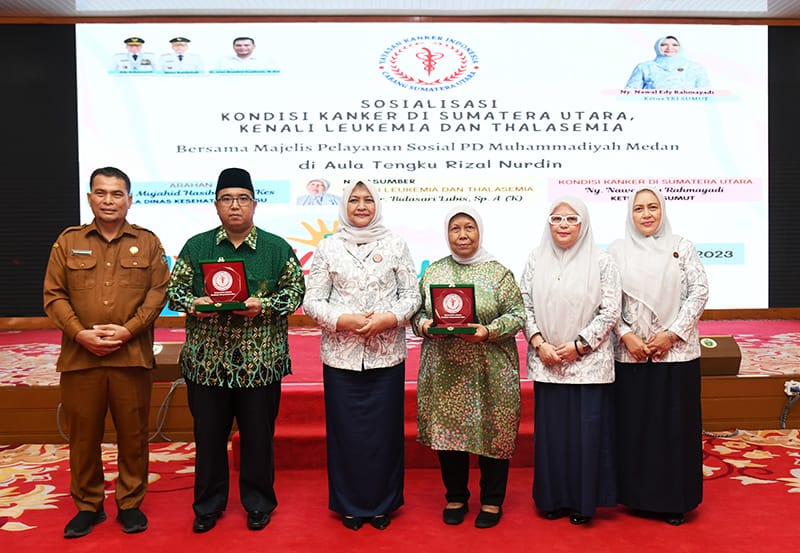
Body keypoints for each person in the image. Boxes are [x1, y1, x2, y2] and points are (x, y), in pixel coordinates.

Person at [167, 167, 305, 533]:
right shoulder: (197, 246)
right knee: (209, 437)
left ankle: (258, 503)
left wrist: (265, 304)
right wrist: (194, 301)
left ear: (255, 204)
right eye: (226, 199)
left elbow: (295, 294)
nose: (234, 206)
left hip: (260, 364)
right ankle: (208, 505)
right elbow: (174, 291)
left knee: (258, 438)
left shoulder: (276, 248)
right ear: (215, 206)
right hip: (208, 364)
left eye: (242, 199)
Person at [43, 166, 170, 538]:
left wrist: (129, 330)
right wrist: (80, 333)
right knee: (83, 436)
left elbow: (157, 293)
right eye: (101, 193)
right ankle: (88, 505)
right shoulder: (67, 242)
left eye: (117, 194)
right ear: (90, 198)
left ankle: (130, 503)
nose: (109, 200)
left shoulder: (147, 242)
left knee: (133, 435)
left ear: (130, 199)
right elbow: (54, 294)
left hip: (130, 358)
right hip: (81, 358)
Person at [303, 180, 421, 531]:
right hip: (341, 356)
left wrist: (391, 318)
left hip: (386, 355)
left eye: (368, 199)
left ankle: (383, 503)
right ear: (344, 206)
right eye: (353, 200)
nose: (361, 205)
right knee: (346, 434)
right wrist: (341, 320)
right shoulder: (328, 247)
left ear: (377, 204)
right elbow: (313, 300)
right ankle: (350, 505)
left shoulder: (395, 244)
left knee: (384, 434)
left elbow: (411, 295)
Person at [412, 205, 526, 529]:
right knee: (450, 432)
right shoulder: (433, 272)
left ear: (479, 232)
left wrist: (489, 331)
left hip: (491, 368)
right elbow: (417, 313)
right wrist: (424, 326)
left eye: (469, 228)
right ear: (447, 234)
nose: (462, 235)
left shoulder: (499, 272)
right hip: (446, 369)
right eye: (455, 229)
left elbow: (517, 314)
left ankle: (492, 500)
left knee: (493, 429)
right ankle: (456, 496)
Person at [608, 188, 709, 526]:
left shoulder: (682, 246)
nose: (647, 214)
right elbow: (606, 300)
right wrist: (626, 335)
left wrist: (672, 334)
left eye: (653, 207)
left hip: (676, 355)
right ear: (630, 214)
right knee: (635, 428)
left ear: (662, 211)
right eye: (639, 208)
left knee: (674, 429)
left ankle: (673, 500)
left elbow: (699, 292)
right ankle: (637, 496)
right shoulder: (616, 252)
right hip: (632, 354)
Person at [519, 196, 621, 526]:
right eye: (557, 219)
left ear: (584, 223)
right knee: (552, 436)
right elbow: (524, 305)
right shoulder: (536, 259)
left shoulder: (602, 261)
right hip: (548, 361)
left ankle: (583, 502)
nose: (563, 225)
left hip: (587, 364)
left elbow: (610, 310)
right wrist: (538, 343)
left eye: (571, 219)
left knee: (586, 434)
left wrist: (580, 346)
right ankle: (552, 499)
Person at [625, 35, 710, 90]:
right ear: (657, 47)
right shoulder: (644, 67)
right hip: (652, 109)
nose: (669, 48)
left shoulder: (694, 67)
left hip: (688, 109)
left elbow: (705, 92)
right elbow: (630, 93)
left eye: (674, 45)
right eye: (663, 45)